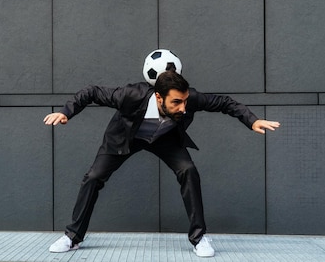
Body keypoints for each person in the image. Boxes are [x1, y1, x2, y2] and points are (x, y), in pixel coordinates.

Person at [45, 69, 280, 258]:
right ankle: (72, 237)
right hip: (126, 138)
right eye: (176, 102)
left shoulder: (190, 99)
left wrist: (252, 121)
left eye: (185, 101)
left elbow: (224, 102)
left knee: (189, 171)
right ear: (158, 97)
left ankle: (199, 238)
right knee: (94, 177)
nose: (183, 108)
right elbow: (92, 92)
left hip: (165, 140)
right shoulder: (130, 95)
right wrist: (67, 112)